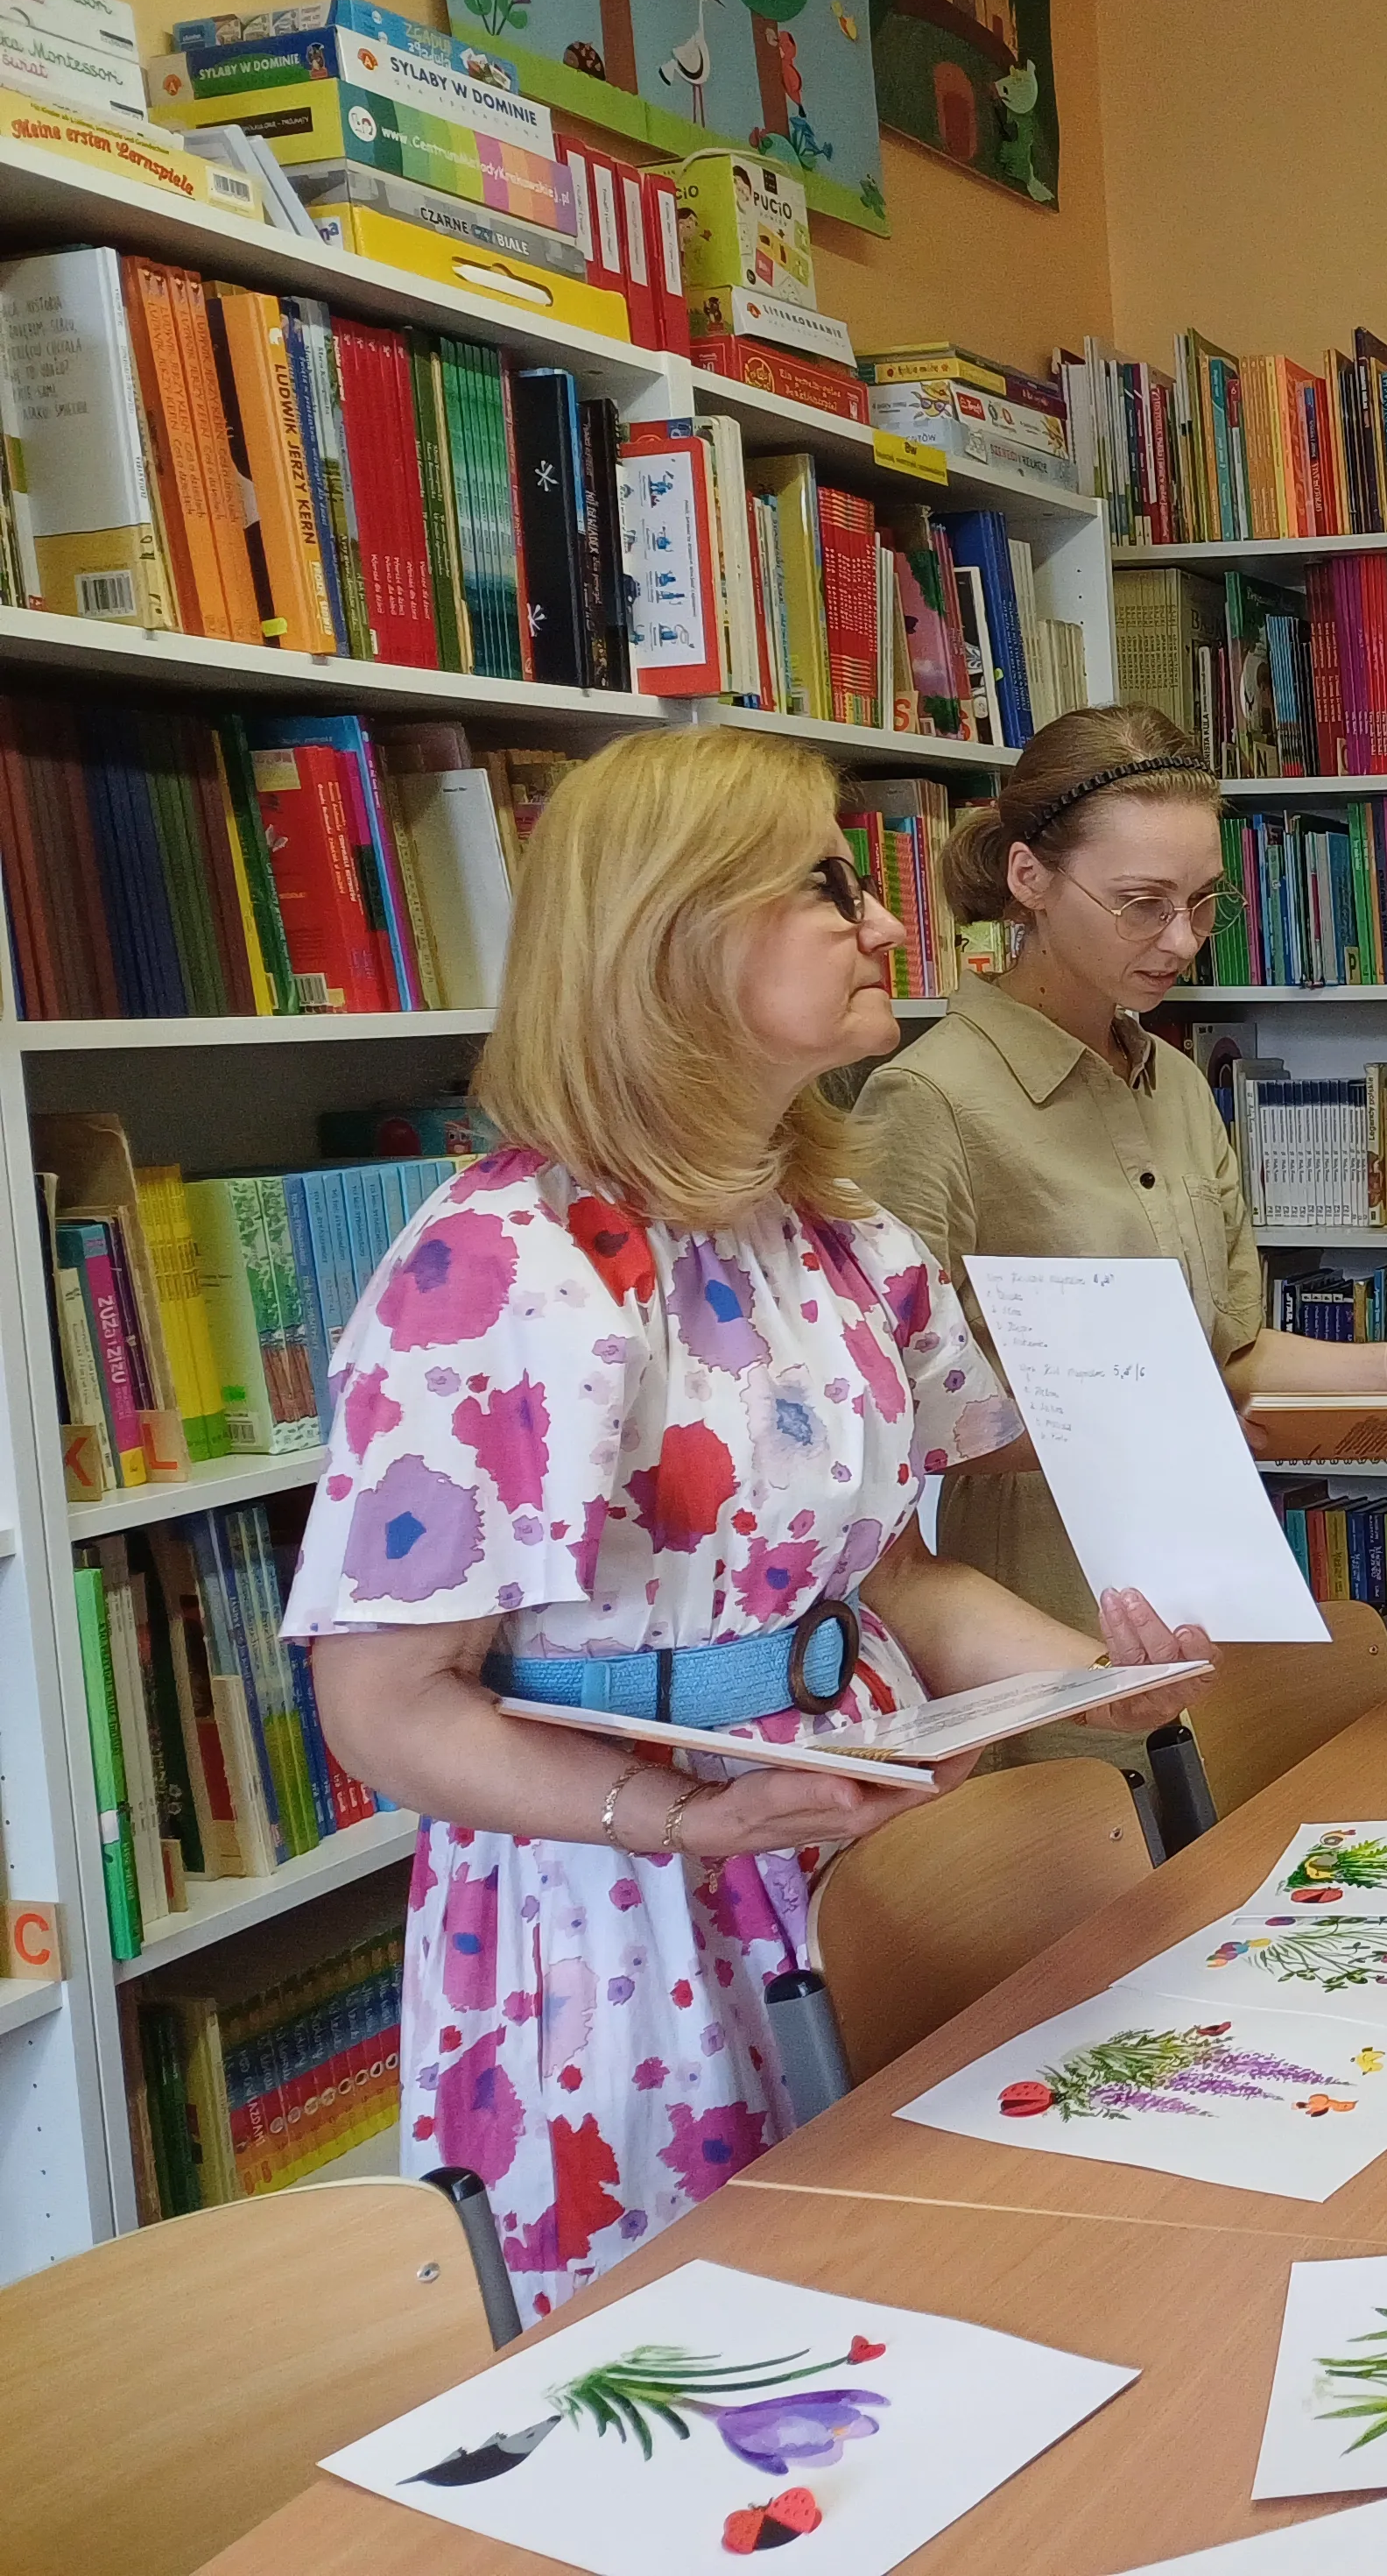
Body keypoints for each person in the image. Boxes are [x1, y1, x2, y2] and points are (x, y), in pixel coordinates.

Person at [285, 728, 1207, 2318]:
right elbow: (381, 1708)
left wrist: (1090, 1675)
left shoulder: (842, 1232)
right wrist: (677, 1821)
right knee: (712, 2344)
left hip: (857, 1844)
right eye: (831, 889)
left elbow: (895, 1577)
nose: (889, 924)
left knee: (940, 2298)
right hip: (626, 1908)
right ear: (680, 935)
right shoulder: (501, 1270)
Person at [851, 707, 1387, 1763]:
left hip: (1216, 1592)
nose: (1179, 940)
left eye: (1201, 902)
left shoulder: (1173, 1081)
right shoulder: (928, 1101)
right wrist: (1165, 1428)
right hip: (1048, 1614)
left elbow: (1231, 1353)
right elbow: (895, 1430)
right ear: (1029, 878)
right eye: (1141, 904)